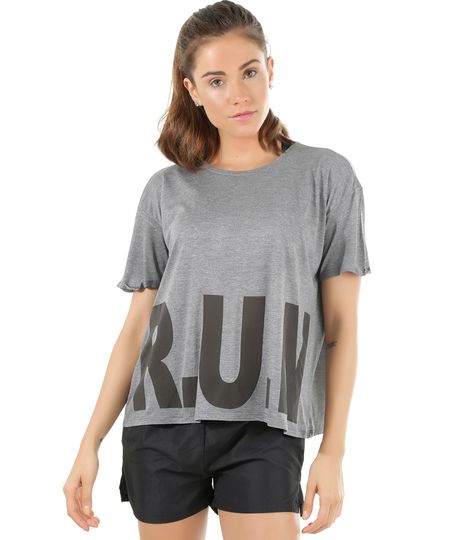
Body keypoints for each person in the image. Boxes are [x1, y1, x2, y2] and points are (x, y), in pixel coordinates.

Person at [63, 1, 372, 538]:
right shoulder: (166, 190)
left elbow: (341, 328)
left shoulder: (326, 177)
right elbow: (138, 326)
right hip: (161, 422)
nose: (238, 94)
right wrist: (90, 442)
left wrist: (334, 450)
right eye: (216, 80)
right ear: (192, 90)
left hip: (266, 424)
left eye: (249, 72)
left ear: (270, 68)